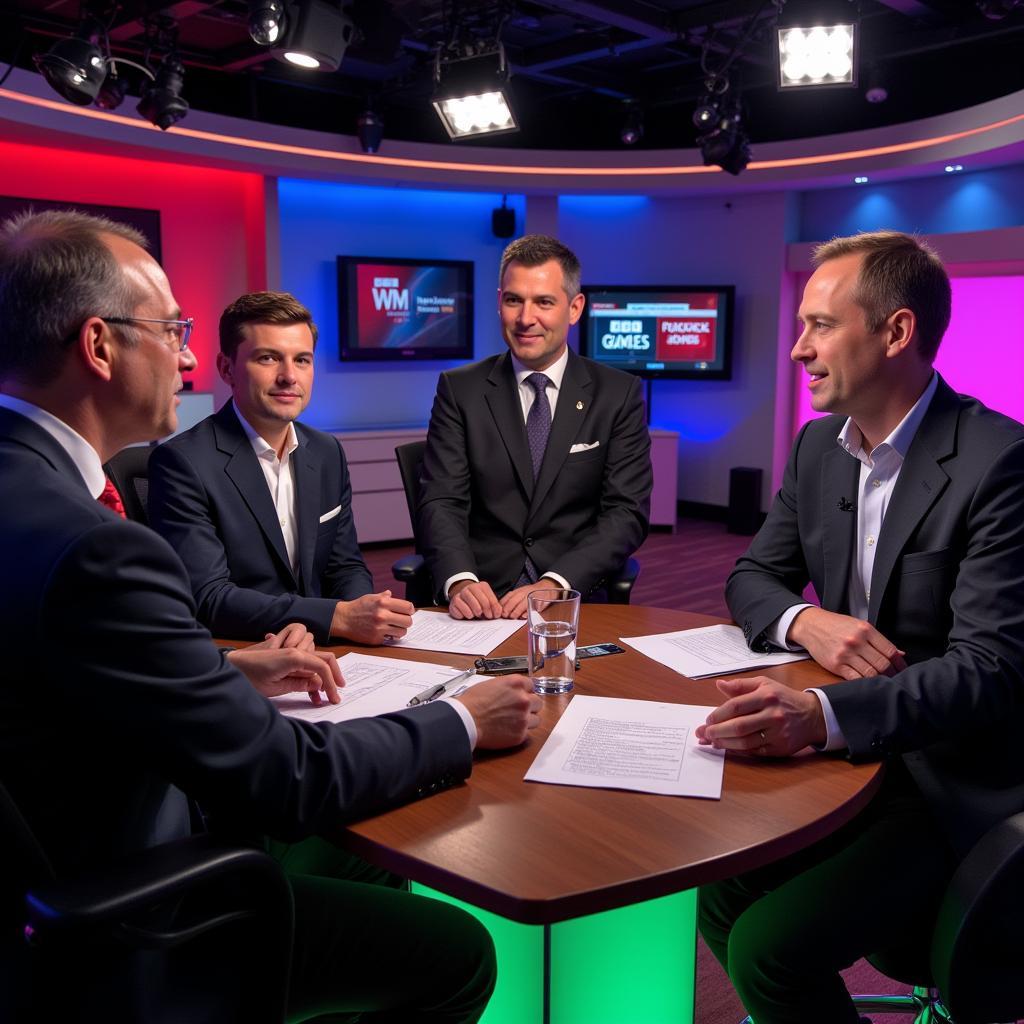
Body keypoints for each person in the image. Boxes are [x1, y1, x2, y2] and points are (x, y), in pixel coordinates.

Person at [0, 209, 541, 1022]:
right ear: (100, 346)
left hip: (55, 869)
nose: (183, 357)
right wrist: (462, 722)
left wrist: (222, 669)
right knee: (458, 953)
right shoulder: (99, 546)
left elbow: (67, 674)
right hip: (147, 908)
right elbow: (285, 778)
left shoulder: (26, 491)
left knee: (376, 855)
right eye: (172, 330)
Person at [696, 230, 1024, 1024]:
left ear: (896, 331)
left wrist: (823, 714)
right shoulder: (816, 447)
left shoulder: (1000, 460)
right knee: (717, 890)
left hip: (950, 780)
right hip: (855, 764)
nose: (797, 349)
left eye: (819, 325)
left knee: (769, 951)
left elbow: (990, 670)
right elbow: (751, 577)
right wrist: (808, 621)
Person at [148, 291, 413, 645]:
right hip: (247, 654)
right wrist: (337, 618)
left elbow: (344, 566)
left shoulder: (326, 451)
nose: (289, 376)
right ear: (227, 368)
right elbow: (208, 597)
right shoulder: (183, 462)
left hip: (328, 649)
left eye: (302, 360)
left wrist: (364, 612)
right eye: (269, 358)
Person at [419, 234, 652, 620]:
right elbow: (442, 500)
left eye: (544, 302)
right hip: (482, 600)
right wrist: (461, 580)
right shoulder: (460, 389)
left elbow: (626, 512)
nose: (526, 319)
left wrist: (557, 582)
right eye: (514, 300)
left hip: (570, 596)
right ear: (499, 303)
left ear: (575, 308)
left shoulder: (618, 394)